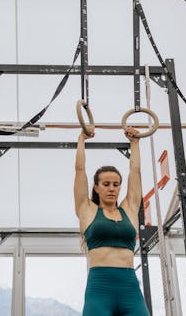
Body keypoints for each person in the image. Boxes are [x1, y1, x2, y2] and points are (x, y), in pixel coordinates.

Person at [74, 125, 150, 316]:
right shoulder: (87, 209)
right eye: (106, 184)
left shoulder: (129, 209)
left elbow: (136, 172)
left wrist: (135, 143)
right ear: (97, 187)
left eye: (116, 184)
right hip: (99, 288)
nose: (111, 188)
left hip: (129, 287)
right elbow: (80, 170)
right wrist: (82, 140)